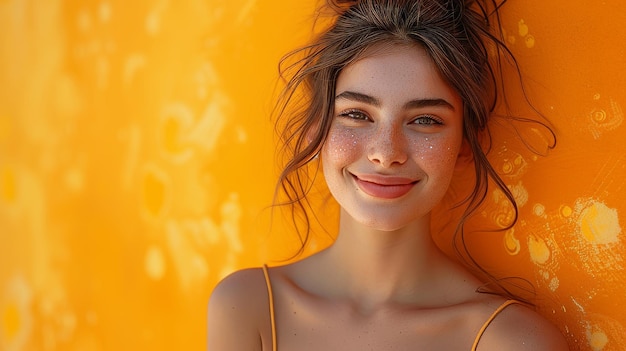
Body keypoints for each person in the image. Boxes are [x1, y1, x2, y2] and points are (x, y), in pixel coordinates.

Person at [208, 0, 569, 350]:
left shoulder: (511, 342)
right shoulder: (248, 307)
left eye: (425, 120)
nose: (386, 152)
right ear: (315, 130)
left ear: (463, 147)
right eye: (357, 114)